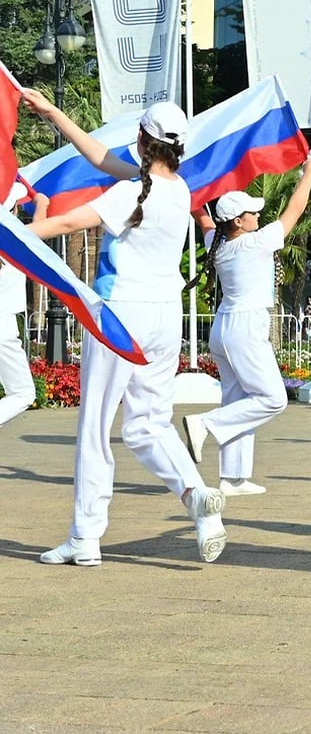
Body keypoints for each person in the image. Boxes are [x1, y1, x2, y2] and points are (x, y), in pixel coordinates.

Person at [20, 90, 226, 566]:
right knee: (147, 424)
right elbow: (99, 156)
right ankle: (196, 496)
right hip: (163, 315)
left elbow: (70, 220)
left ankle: (85, 537)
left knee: (95, 424)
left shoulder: (132, 191)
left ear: (141, 139)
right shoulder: (179, 191)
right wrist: (53, 113)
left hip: (119, 313)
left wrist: (13, 235)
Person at [182, 159, 311, 495]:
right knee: (273, 399)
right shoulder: (254, 242)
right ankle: (205, 424)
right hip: (245, 328)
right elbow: (294, 211)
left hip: (224, 328)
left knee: (237, 401)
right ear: (239, 222)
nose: (258, 216)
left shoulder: (221, 242)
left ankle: (233, 478)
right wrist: (309, 175)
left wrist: (192, 179)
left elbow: (201, 215)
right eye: (252, 214)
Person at [0, 186, 47, 430]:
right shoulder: (12, 241)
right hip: (3, 326)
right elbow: (37, 234)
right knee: (22, 393)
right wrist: (41, 205)